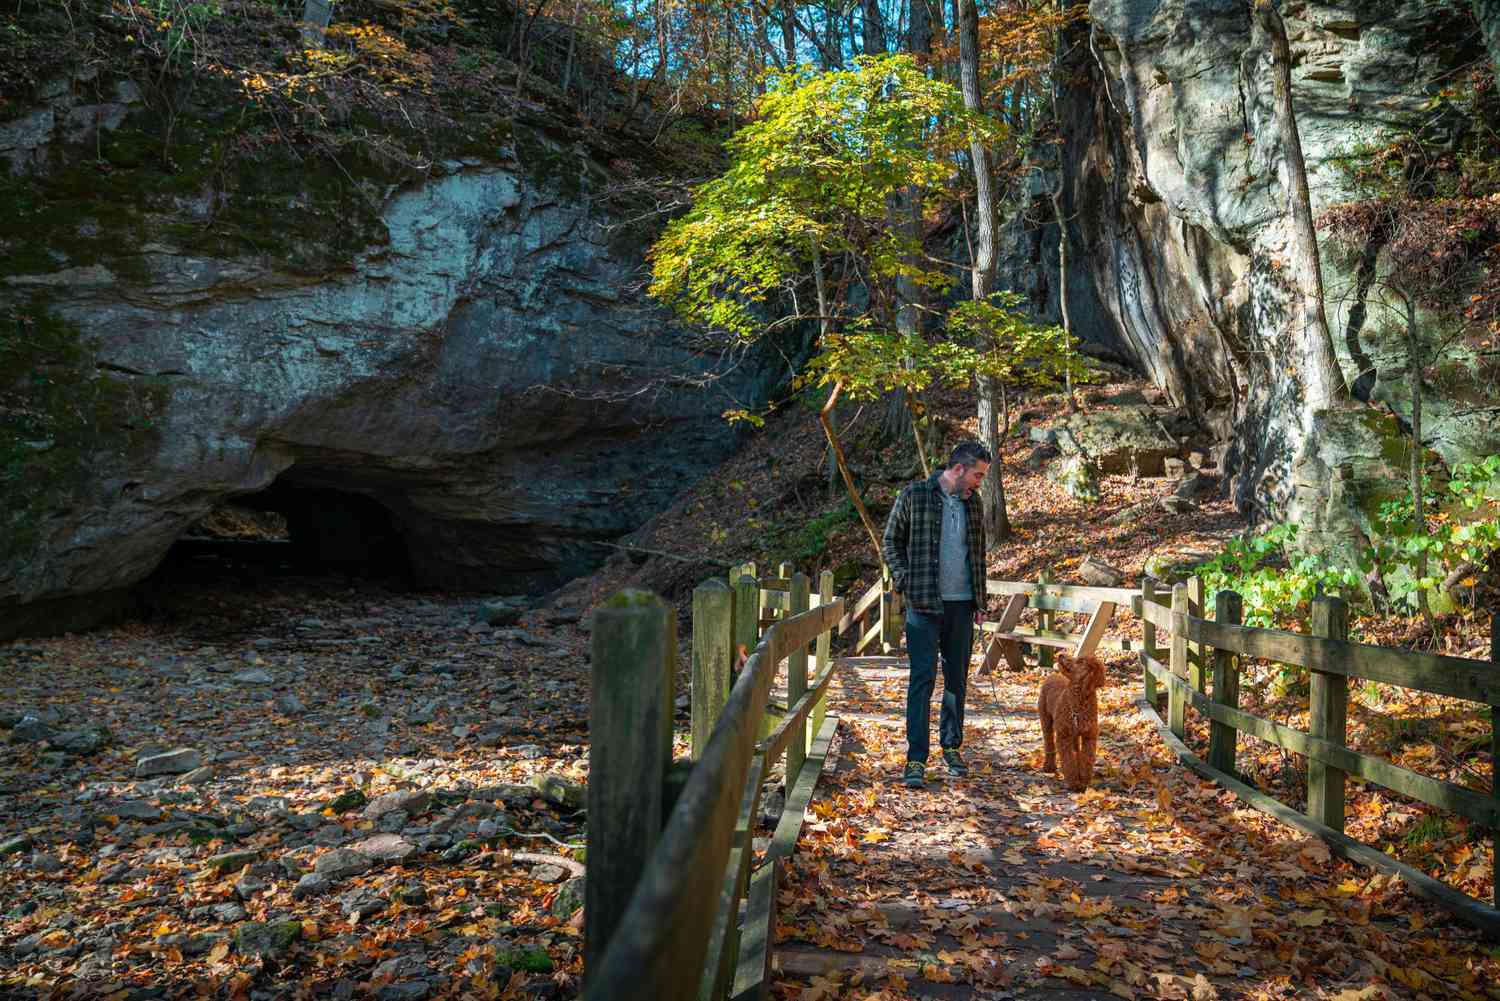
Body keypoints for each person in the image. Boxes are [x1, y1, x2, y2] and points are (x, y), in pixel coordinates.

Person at [881, 441, 990, 788]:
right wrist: (904, 579)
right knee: (922, 680)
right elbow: (891, 542)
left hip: (962, 606)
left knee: (956, 680)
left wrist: (981, 601)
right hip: (924, 605)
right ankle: (916, 758)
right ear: (958, 469)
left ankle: (951, 747)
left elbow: (979, 556)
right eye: (977, 475)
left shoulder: (975, 505)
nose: (979, 482)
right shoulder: (914, 496)